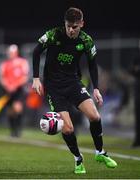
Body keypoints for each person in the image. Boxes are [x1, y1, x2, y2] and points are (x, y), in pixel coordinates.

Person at [32, 7, 117, 173]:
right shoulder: (53, 35)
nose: (71, 30)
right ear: (64, 24)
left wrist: (97, 89)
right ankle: (78, 159)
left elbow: (92, 65)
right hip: (54, 88)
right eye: (68, 26)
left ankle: (100, 152)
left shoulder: (86, 41)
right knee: (68, 128)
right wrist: (36, 78)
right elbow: (36, 52)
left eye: (75, 27)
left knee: (95, 116)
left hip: (73, 83)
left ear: (82, 24)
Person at [0, 44, 29, 137]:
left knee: (17, 108)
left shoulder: (22, 62)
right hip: (8, 90)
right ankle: (13, 130)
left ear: (16, 53)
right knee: (10, 111)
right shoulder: (5, 64)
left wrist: (15, 85)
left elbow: (25, 77)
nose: (10, 54)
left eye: (11, 52)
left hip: (18, 90)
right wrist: (7, 86)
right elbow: (2, 77)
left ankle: (18, 130)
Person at [129, 56, 140, 147]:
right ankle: (137, 140)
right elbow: (132, 70)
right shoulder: (137, 57)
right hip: (138, 91)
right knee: (138, 117)